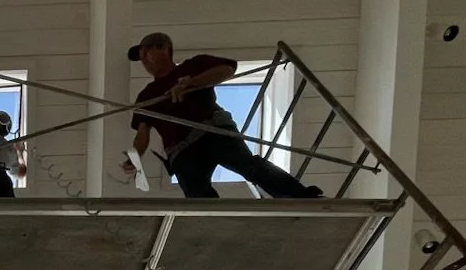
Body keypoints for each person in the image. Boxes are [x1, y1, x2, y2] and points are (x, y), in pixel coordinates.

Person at [123, 31, 323, 199]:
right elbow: (143, 132)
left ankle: (301, 197)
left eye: (146, 53)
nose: (144, 61)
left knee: (250, 167)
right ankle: (212, 226)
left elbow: (227, 69)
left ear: (163, 48)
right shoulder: (147, 96)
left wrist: (191, 83)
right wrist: (135, 157)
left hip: (212, 130)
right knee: (196, 192)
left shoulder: (193, 66)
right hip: (181, 149)